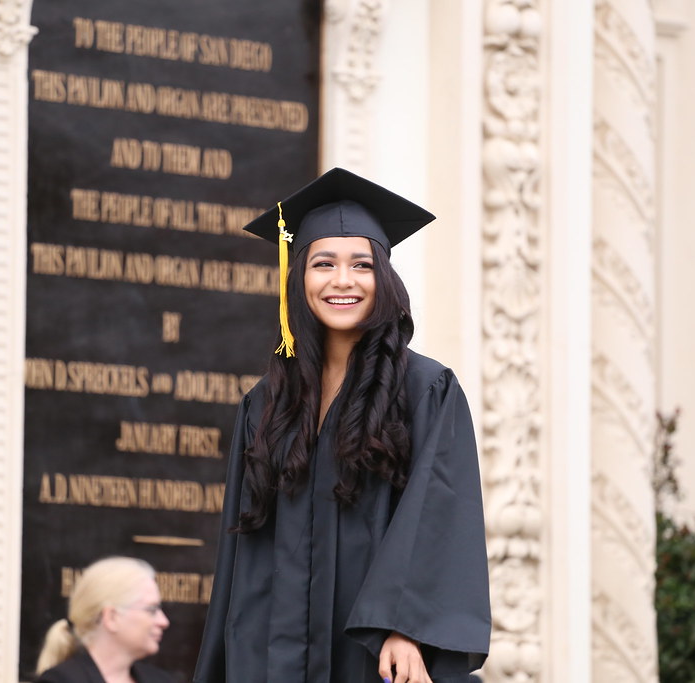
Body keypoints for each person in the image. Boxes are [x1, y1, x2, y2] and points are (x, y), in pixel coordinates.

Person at [194, 168, 491, 683]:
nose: (342, 281)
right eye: (323, 263)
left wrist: (404, 628)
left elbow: (438, 513)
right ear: (299, 278)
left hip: (372, 651)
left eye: (361, 265)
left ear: (385, 279)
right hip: (272, 651)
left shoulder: (425, 388)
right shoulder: (266, 403)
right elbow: (240, 549)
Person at [34, 556, 173, 683]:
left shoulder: (160, 680)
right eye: (151, 610)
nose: (163, 621)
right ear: (111, 617)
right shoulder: (60, 681)